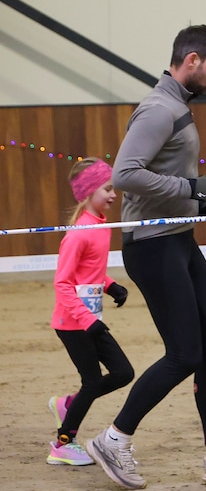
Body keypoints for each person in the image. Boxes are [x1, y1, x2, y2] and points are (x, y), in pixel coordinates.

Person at [88, 25, 206, 490]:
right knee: (185, 354)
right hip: (152, 247)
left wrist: (198, 206)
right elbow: (125, 175)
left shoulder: (177, 108)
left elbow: (160, 177)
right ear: (190, 61)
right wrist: (189, 189)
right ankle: (114, 438)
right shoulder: (158, 109)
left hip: (178, 237)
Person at [47, 158, 135, 467]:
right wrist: (88, 322)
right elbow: (63, 283)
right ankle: (62, 444)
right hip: (73, 323)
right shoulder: (80, 232)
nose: (114, 194)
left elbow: (90, 273)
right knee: (92, 382)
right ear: (88, 192)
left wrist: (111, 286)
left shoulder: (100, 225)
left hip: (89, 320)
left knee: (124, 373)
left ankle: (68, 404)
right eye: (108, 189)